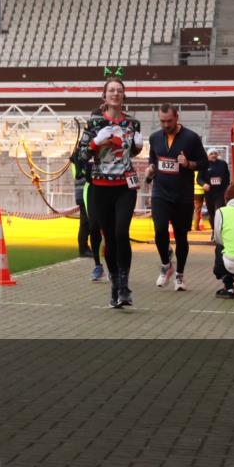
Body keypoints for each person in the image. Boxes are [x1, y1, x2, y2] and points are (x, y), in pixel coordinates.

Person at [75, 76, 144, 308]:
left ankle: (124, 286)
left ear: (124, 96)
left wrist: (137, 148)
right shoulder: (94, 124)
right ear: (104, 96)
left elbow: (129, 154)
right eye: (111, 90)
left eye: (119, 90)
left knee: (122, 233)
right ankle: (114, 283)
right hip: (99, 188)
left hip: (125, 187)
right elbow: (80, 156)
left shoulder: (133, 123)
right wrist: (95, 143)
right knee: (109, 238)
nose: (115, 94)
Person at [145, 104, 208, 291]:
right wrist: (150, 169)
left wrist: (188, 164)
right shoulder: (155, 137)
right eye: (162, 121)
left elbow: (203, 163)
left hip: (183, 196)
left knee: (181, 238)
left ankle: (179, 275)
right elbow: (153, 159)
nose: (165, 125)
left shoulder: (191, 138)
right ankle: (166, 265)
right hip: (160, 194)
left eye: (169, 121)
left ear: (177, 117)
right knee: (159, 231)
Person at [72, 153, 104, 281]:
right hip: (85, 190)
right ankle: (83, 248)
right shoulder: (80, 158)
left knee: (86, 221)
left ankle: (85, 247)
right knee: (86, 222)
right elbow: (82, 174)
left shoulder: (78, 157)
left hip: (83, 190)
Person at [197, 149, 230, 229]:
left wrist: (226, 186)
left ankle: (220, 231)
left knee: (219, 211)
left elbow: (227, 176)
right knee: (211, 213)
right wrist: (204, 184)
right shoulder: (204, 165)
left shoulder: (223, 164)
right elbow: (199, 179)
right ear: (208, 155)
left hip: (220, 192)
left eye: (215, 153)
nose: (213, 155)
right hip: (209, 193)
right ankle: (214, 231)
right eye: (211, 154)